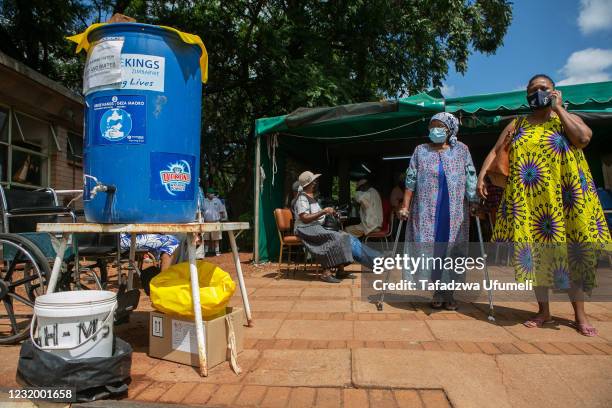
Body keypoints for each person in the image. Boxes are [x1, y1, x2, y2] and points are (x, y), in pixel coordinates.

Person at [478, 74, 610, 337]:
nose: (537, 93)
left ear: (554, 91)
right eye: (532, 90)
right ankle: (544, 311)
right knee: (535, 257)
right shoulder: (518, 124)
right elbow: (495, 151)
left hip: (566, 199)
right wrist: (482, 176)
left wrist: (559, 108)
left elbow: (583, 138)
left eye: (543, 89)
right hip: (531, 202)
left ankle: (580, 316)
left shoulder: (564, 120)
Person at [399, 112, 478, 310]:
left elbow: (470, 176)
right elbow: (411, 179)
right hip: (426, 211)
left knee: (451, 249)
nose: (434, 130)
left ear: (450, 129)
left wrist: (474, 201)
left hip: (454, 211)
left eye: (439, 126)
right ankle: (437, 291)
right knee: (432, 251)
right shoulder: (420, 151)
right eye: (431, 126)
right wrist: (405, 206)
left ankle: (449, 292)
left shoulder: (461, 150)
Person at [293, 171, 379, 283]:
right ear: (309, 184)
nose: (315, 183)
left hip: (314, 226)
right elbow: (304, 218)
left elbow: (316, 216)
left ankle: (341, 269)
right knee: (334, 237)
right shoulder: (302, 198)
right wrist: (323, 211)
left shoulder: (311, 197)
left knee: (345, 236)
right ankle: (326, 273)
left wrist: (329, 212)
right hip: (304, 228)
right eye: (313, 181)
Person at [202, 187, 227, 256]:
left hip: (216, 222)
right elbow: (201, 211)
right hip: (206, 222)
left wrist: (221, 220)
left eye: (213, 193)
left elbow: (222, 211)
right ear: (207, 194)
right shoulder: (203, 201)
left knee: (216, 238)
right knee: (206, 238)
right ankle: (205, 251)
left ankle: (217, 251)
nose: (212, 195)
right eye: (210, 193)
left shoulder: (218, 201)